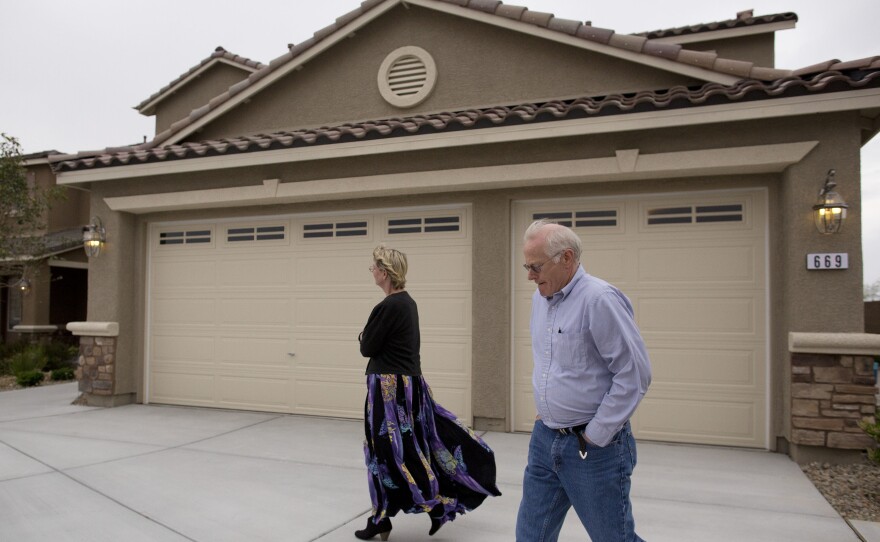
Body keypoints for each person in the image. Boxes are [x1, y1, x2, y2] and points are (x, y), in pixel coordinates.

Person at [515, 219, 652, 542]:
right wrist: (546, 410)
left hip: (593, 450)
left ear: (567, 258)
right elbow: (553, 363)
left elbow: (634, 373)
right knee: (531, 537)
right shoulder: (540, 298)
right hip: (544, 440)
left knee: (614, 539)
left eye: (535, 266)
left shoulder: (599, 299)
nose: (530, 276)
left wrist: (595, 434)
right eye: (527, 266)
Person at [356, 244, 501, 540]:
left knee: (385, 452)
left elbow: (367, 347)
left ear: (384, 272)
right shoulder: (408, 303)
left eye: (373, 268)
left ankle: (419, 507)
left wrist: (363, 335)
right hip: (407, 385)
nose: (371, 272)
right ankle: (399, 512)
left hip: (388, 390)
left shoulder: (387, 307)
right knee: (410, 447)